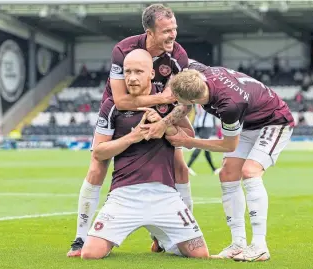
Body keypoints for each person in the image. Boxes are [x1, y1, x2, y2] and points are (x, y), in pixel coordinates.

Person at [67, 4, 193, 257]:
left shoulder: (178, 57)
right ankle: (80, 239)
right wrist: (161, 100)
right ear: (149, 31)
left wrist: (163, 123)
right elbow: (122, 100)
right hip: (122, 107)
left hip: (159, 112)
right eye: (166, 31)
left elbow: (184, 104)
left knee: (179, 165)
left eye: (174, 29)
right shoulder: (123, 49)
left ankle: (175, 235)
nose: (173, 35)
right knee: (96, 165)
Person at [80, 49, 209, 259]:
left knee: (200, 254)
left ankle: (163, 238)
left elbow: (188, 139)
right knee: (90, 254)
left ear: (151, 73)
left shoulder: (168, 100)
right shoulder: (112, 105)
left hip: (165, 195)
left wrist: (163, 123)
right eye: (127, 71)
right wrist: (133, 136)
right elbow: (99, 153)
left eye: (138, 71)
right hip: (124, 196)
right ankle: (127, 235)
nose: (131, 78)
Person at [165, 62, 294, 262]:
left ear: (191, 100)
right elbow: (181, 57)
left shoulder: (230, 105)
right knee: (227, 174)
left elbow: (228, 145)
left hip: (274, 121)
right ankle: (238, 243)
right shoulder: (201, 72)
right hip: (250, 122)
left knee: (250, 171)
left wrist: (188, 141)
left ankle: (260, 246)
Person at [187, 104, 219, 176]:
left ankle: (214, 169)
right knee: (201, 146)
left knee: (206, 148)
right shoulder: (207, 100)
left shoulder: (197, 101)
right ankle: (187, 166)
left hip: (199, 124)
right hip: (206, 125)